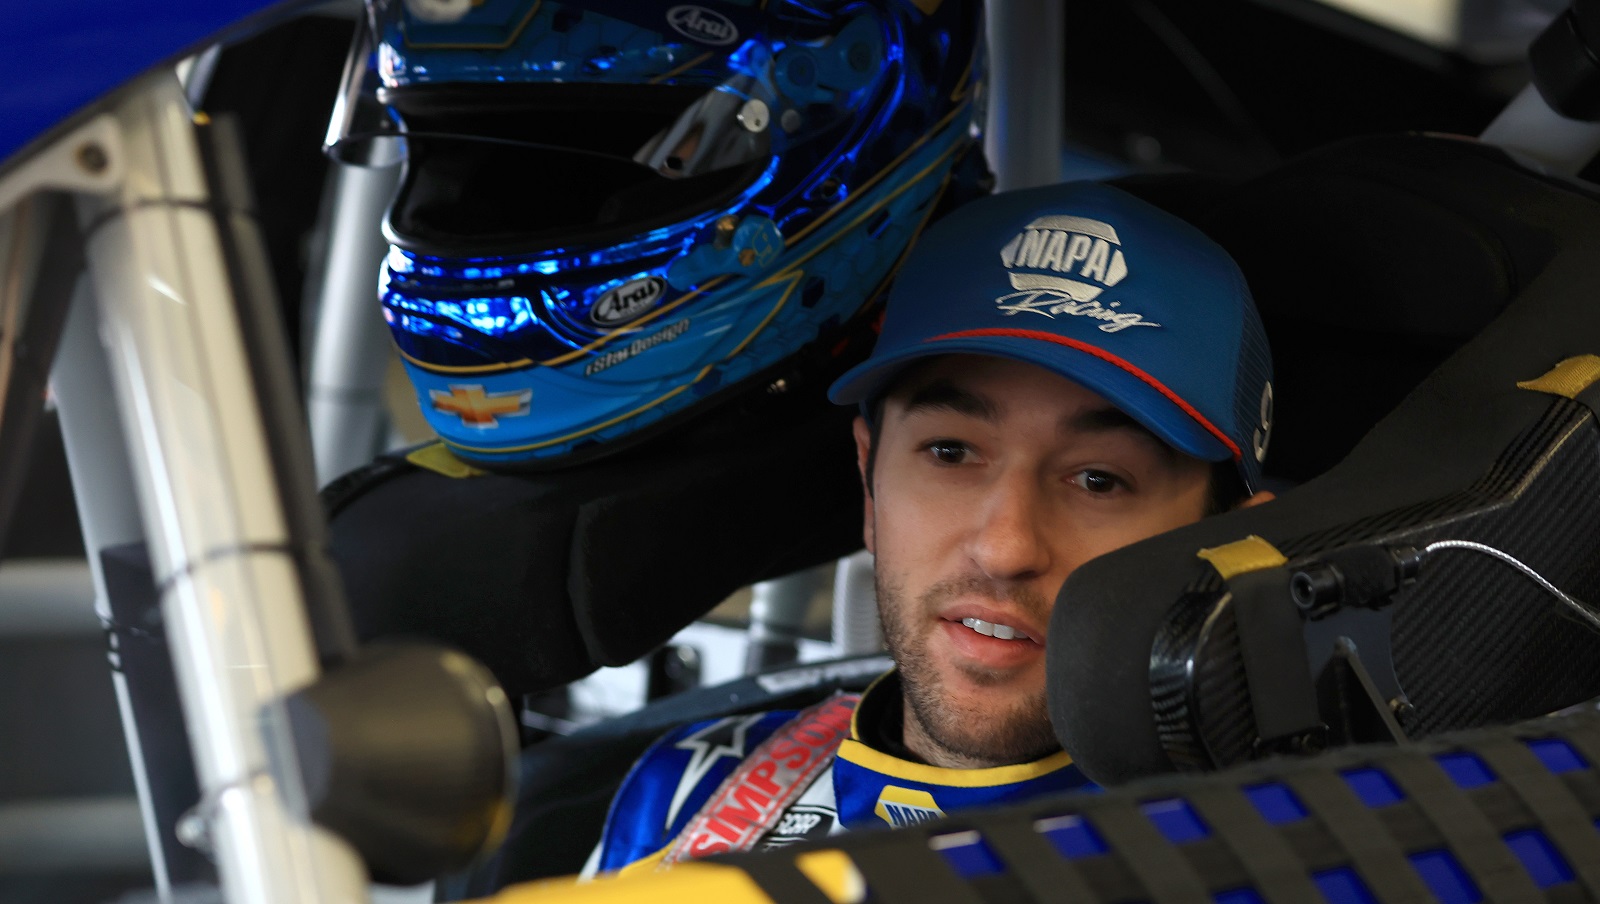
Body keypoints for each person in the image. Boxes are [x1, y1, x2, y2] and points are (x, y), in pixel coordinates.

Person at [581, 179, 1278, 876]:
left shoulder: (1292, 857)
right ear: (869, 481)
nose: (1004, 548)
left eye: (1099, 480)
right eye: (951, 452)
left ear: (1230, 555)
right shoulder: (688, 796)